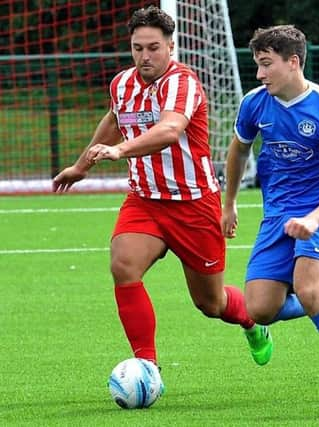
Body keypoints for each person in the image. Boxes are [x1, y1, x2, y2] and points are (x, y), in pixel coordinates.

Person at [52, 6, 273, 371]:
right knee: (123, 266)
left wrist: (120, 150)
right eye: (138, 48)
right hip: (145, 200)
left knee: (211, 304)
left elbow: (170, 130)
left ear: (171, 46)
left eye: (153, 47)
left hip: (193, 203)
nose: (145, 56)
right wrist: (81, 166)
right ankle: (147, 367)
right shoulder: (121, 83)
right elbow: (114, 118)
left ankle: (251, 322)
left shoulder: (182, 83)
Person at [222, 25, 319, 403]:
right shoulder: (254, 104)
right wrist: (228, 203)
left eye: (266, 65)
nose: (259, 74)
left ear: (293, 62)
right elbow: (239, 151)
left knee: (308, 290)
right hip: (276, 217)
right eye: (257, 65)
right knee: (260, 309)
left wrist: (314, 219)